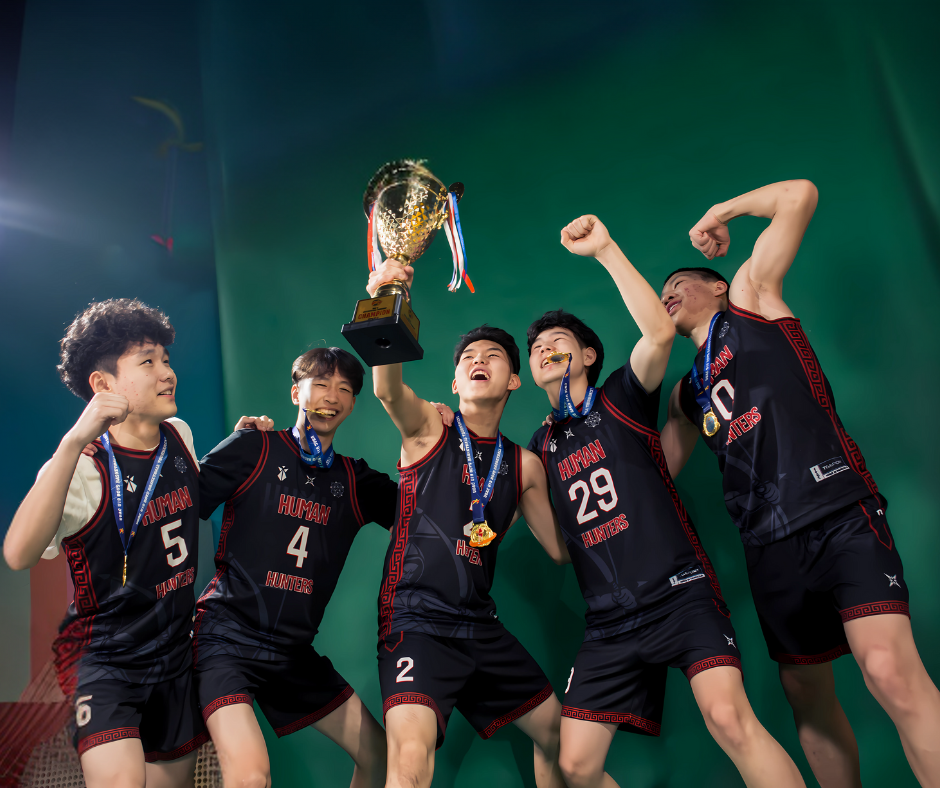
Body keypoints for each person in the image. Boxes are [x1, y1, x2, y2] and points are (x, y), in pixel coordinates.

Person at [660, 179, 940, 787]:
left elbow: (800, 196)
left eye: (678, 283)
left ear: (715, 285)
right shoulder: (687, 393)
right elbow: (652, 473)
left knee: (888, 670)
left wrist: (720, 211)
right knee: (804, 693)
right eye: (661, 294)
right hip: (768, 545)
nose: (668, 294)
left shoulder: (750, 298)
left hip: (835, 509)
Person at [527, 216, 805, 788]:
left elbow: (657, 334)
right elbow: (558, 549)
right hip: (608, 621)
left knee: (728, 719)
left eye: (558, 341)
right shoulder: (539, 448)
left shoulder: (620, 397)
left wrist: (605, 249)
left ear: (588, 355)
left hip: (679, 594)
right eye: (535, 348)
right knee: (575, 766)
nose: (545, 349)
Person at [193, 347, 453, 788]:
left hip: (292, 653)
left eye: (344, 389)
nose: (331, 396)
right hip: (226, 638)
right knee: (251, 776)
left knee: (379, 756)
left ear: (352, 405)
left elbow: (428, 515)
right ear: (297, 393)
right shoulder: (254, 447)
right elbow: (180, 505)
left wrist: (440, 438)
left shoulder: (354, 480)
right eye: (321, 384)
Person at [367, 260, 570, 788]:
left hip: (480, 625)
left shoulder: (524, 465)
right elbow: (387, 389)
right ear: (454, 381)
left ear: (514, 380)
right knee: (410, 760)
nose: (479, 360)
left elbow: (560, 550)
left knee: (562, 738)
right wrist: (388, 298)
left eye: (493, 356)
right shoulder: (428, 428)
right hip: (417, 620)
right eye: (468, 359)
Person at [4, 299, 206, 787]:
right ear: (103, 385)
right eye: (147, 361)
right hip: (106, 658)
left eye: (166, 359)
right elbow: (18, 554)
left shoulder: (179, 435)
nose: (167, 373)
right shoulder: (80, 468)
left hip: (175, 653)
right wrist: (72, 442)